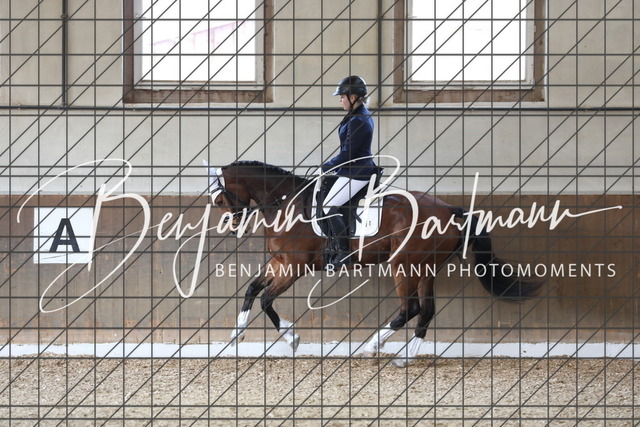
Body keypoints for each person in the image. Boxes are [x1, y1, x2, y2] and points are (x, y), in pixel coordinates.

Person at [321, 75, 378, 269]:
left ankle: (344, 253)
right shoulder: (356, 115)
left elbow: (348, 153)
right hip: (352, 169)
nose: (340, 100)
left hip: (358, 172)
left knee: (329, 206)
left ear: (353, 97)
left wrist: (327, 166)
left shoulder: (358, 119)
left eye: (342, 97)